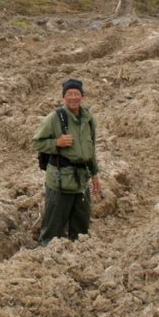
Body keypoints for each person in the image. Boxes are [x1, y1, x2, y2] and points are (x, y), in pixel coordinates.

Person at [32, 78, 102, 244]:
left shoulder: (88, 119)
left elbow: (90, 149)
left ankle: (78, 258)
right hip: (60, 182)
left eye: (76, 93)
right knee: (52, 232)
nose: (73, 97)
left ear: (82, 96)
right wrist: (56, 143)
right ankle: (46, 258)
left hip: (81, 182)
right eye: (69, 94)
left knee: (81, 231)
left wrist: (95, 174)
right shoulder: (54, 118)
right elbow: (36, 142)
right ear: (64, 97)